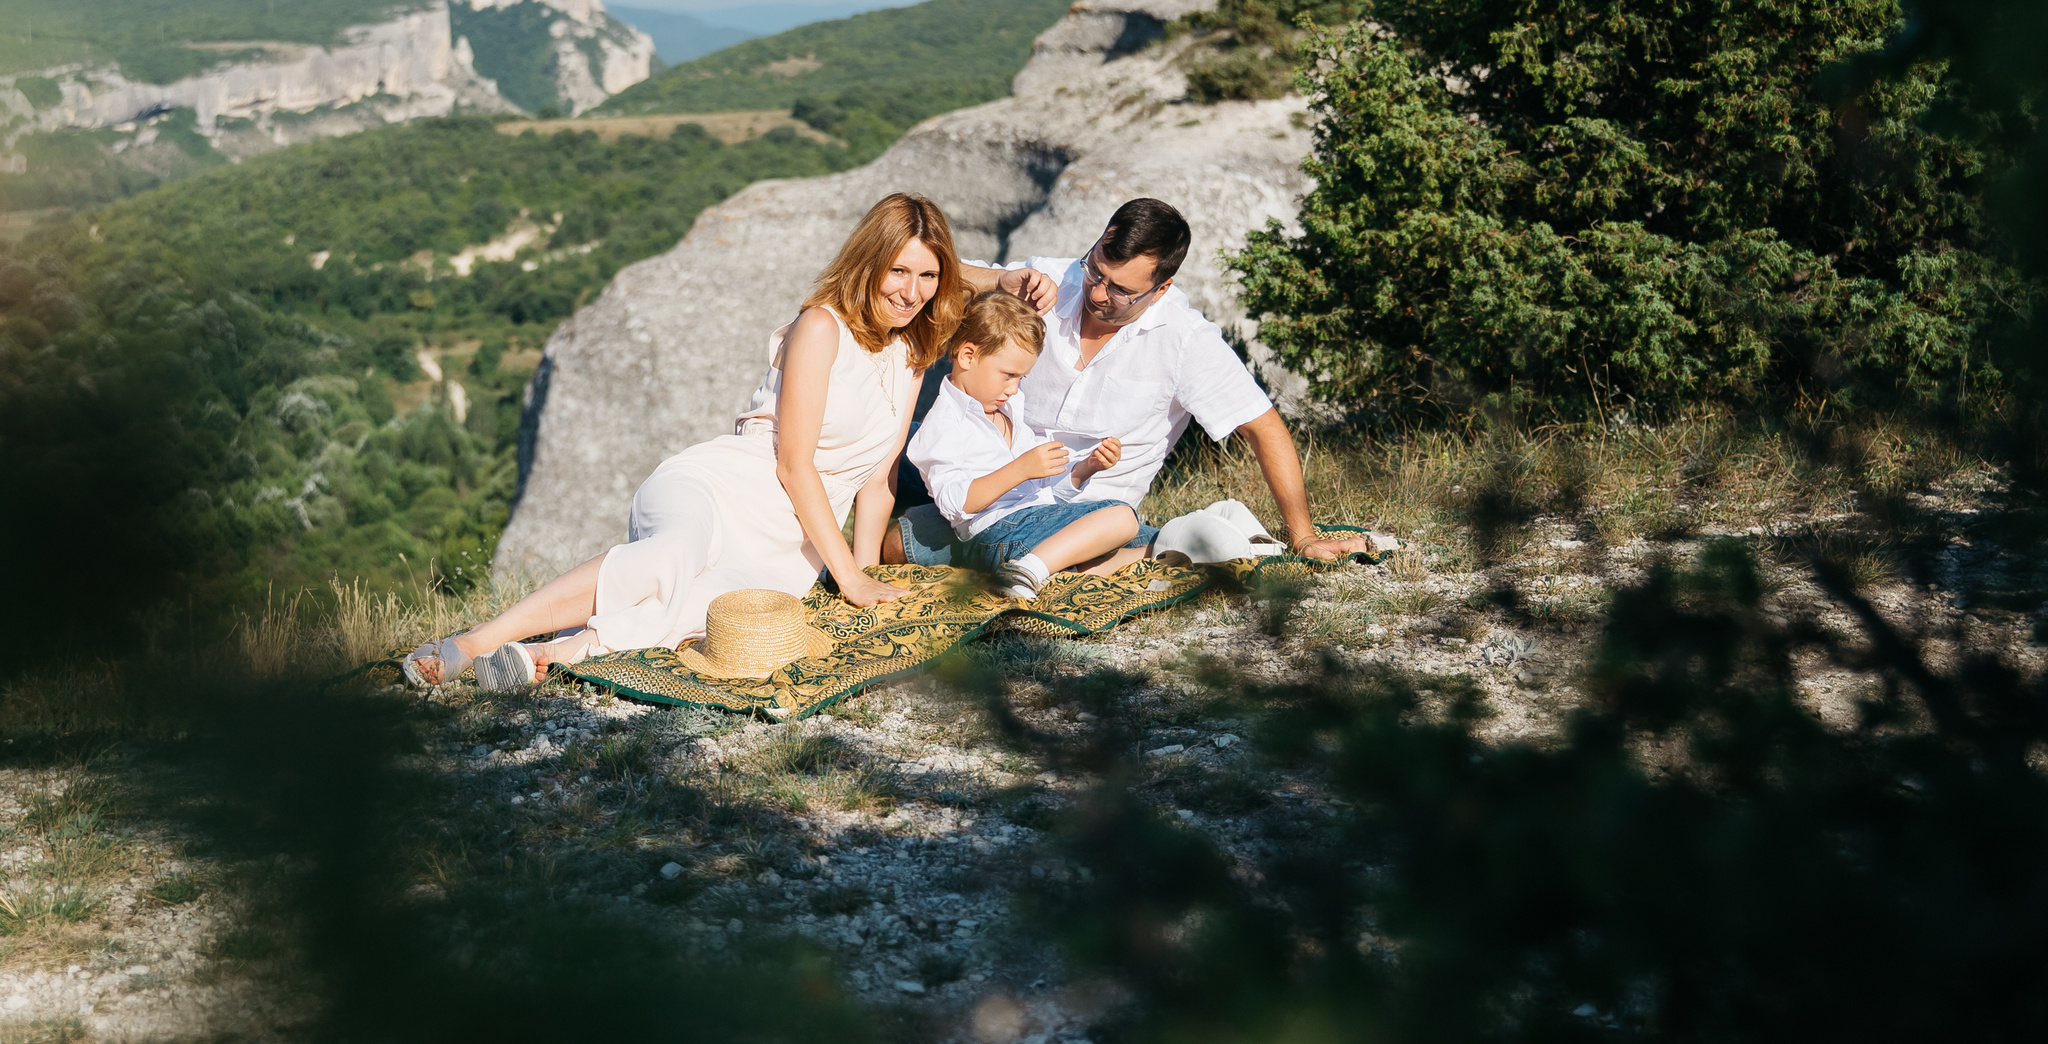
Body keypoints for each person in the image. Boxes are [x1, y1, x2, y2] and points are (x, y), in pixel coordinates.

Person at [404, 191, 962, 689]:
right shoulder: (820, 327)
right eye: (898, 271)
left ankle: (551, 655)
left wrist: (860, 575)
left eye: (928, 277)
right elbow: (794, 465)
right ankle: (475, 643)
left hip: (793, 551)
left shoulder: (910, 352)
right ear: (869, 264)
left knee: (707, 607)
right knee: (672, 556)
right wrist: (850, 578)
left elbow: (882, 474)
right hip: (725, 487)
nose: (912, 292)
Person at [885, 196, 1368, 571]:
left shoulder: (1186, 341)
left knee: (897, 544)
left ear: (1162, 289)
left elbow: (1263, 428)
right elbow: (942, 277)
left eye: (1120, 290)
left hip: (1077, 510)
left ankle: (1143, 547)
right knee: (881, 456)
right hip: (981, 466)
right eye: (1096, 268)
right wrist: (1002, 281)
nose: (1097, 292)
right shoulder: (1052, 279)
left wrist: (1302, 536)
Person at [903, 292, 1140, 600]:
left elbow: (1046, 492)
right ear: (968, 356)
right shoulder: (943, 425)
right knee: (1121, 517)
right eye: (1008, 375)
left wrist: (1086, 468)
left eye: (1021, 378)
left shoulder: (1009, 410)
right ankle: (1028, 571)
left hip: (1034, 521)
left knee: (1140, 538)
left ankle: (1042, 572)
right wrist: (1020, 469)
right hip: (998, 533)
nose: (1013, 389)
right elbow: (953, 503)